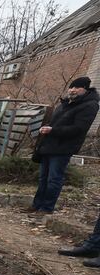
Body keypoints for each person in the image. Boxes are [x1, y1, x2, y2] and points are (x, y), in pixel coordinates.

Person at [28, 76, 99, 215]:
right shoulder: (65, 104)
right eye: (71, 87)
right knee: (43, 178)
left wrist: (53, 130)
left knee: (54, 179)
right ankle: (37, 205)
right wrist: (48, 128)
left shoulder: (90, 106)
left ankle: (46, 208)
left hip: (63, 148)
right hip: (49, 145)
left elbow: (79, 129)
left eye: (76, 87)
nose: (72, 90)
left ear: (84, 89)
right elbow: (55, 123)